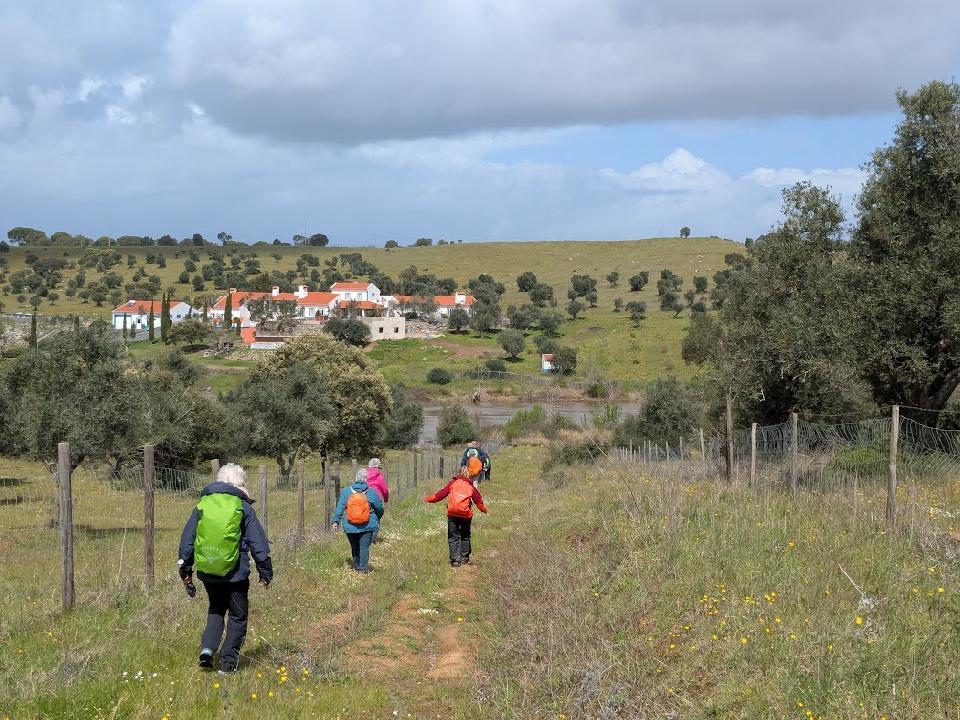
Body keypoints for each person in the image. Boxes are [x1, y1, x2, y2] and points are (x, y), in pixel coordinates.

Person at [177, 463, 272, 673]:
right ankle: (227, 666)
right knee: (238, 616)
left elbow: (188, 540)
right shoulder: (243, 506)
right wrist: (266, 572)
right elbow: (259, 543)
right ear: (240, 484)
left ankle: (208, 650)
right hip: (236, 574)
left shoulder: (202, 505)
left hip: (208, 571)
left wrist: (185, 569)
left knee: (216, 609)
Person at [424, 463, 488, 567]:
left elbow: (440, 495)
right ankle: (464, 558)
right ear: (468, 475)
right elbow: (478, 501)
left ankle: (455, 560)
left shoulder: (453, 483)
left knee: (453, 536)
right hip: (466, 515)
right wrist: (484, 510)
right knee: (465, 536)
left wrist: (427, 499)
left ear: (459, 473)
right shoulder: (470, 486)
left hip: (452, 513)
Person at [331, 468, 384, 572]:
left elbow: (340, 508)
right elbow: (380, 508)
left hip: (350, 526)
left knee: (355, 547)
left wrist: (335, 521)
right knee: (364, 547)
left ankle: (356, 567)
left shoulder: (347, 491)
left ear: (356, 478)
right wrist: (377, 517)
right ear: (366, 479)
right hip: (367, 525)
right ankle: (363, 570)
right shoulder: (371, 492)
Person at [365, 458, 389, 544]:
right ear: (378, 467)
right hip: (376, 500)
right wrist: (386, 499)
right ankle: (372, 540)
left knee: (364, 517)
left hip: (363, 499)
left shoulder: (364, 475)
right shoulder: (379, 476)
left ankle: (364, 538)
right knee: (376, 518)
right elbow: (385, 490)